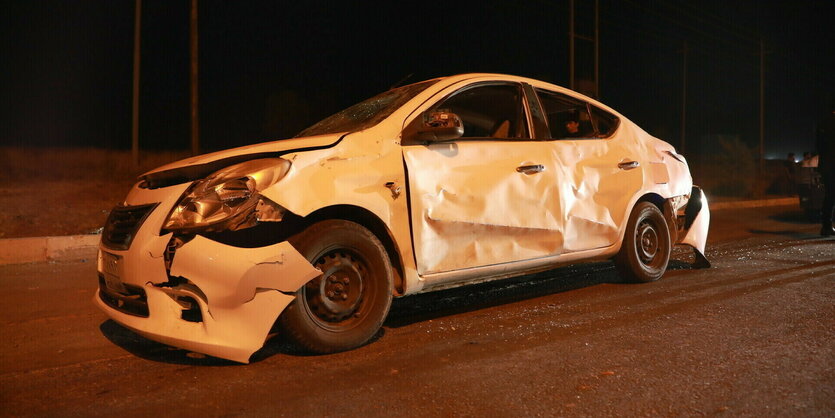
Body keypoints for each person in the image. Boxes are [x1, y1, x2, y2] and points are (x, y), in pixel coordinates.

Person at [817, 108, 835, 236]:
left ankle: (826, 226)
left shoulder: (823, 123)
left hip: (826, 164)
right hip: (831, 163)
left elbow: (818, 145)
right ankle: (827, 226)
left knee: (830, 195)